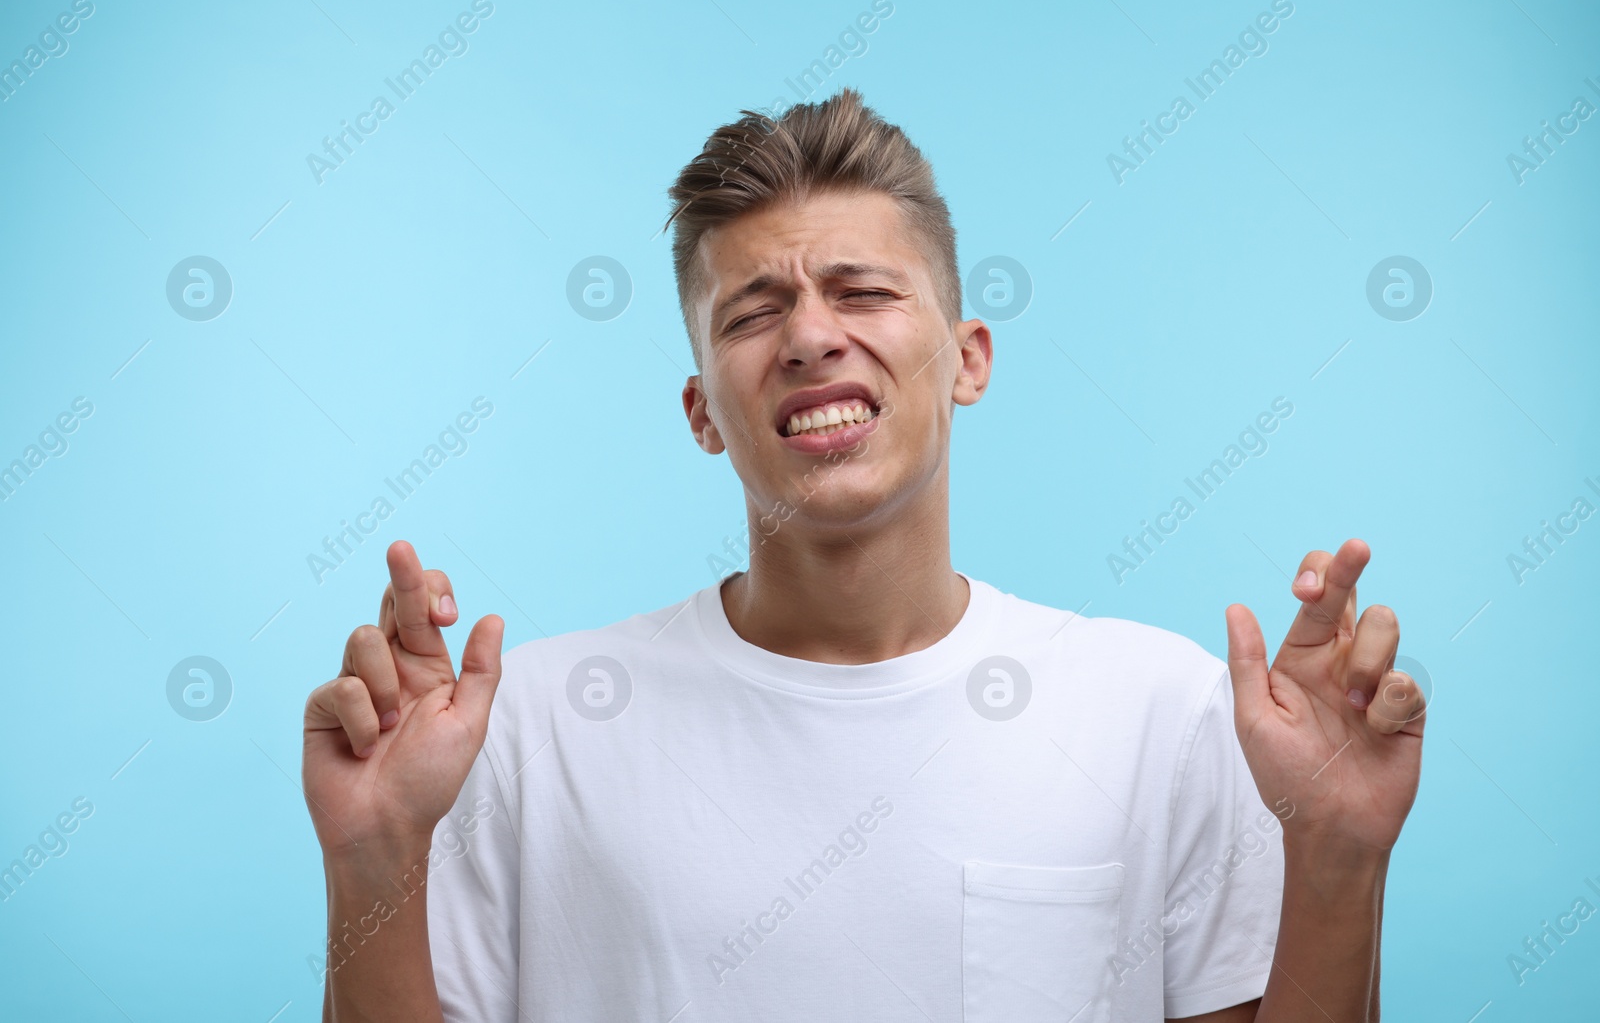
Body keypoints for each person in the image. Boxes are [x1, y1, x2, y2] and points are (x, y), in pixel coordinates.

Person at [301, 86, 1425, 1022]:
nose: (808, 334)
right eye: (752, 311)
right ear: (701, 410)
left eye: (863, 291)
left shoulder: (1159, 713)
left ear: (967, 359)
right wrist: (373, 861)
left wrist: (1337, 860)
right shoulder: (528, 730)